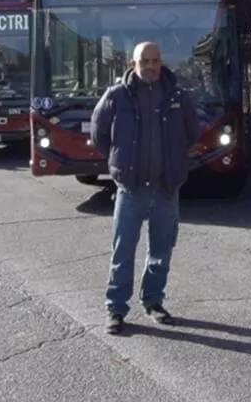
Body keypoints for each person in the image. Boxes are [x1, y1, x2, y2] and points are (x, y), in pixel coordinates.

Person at [90, 40, 200, 335]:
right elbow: (99, 134)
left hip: (166, 188)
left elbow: (191, 135)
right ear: (132, 64)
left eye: (155, 60)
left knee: (161, 250)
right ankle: (116, 309)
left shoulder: (178, 96)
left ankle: (154, 301)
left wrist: (172, 161)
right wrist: (120, 163)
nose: (151, 66)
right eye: (145, 61)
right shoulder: (116, 96)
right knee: (123, 251)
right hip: (131, 189)